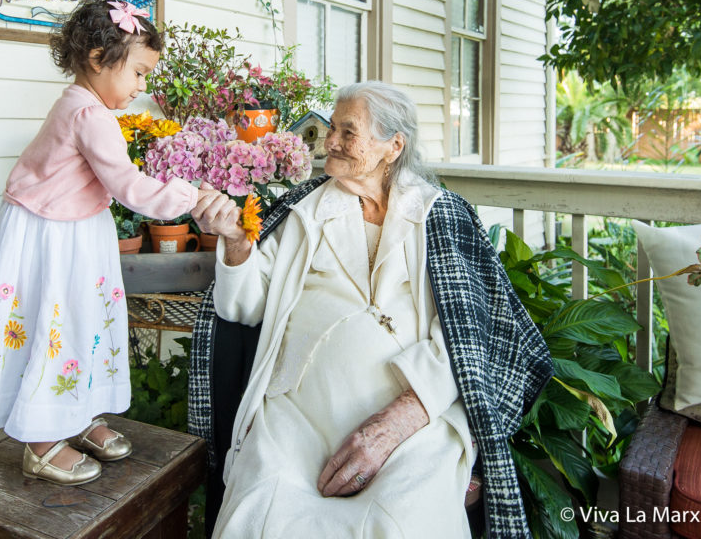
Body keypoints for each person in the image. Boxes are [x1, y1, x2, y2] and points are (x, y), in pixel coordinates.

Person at [189, 82, 553, 537]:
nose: (331, 142)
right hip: (296, 413)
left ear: (393, 146)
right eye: (332, 129)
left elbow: (467, 335)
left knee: (404, 522)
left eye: (348, 131)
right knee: (262, 509)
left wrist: (404, 416)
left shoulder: (439, 214)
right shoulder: (305, 207)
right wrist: (237, 243)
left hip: (412, 418)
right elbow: (243, 306)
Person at [0, 0, 225, 485]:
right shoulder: (89, 117)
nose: (144, 87)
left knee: (79, 322)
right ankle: (40, 441)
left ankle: (73, 415)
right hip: (50, 238)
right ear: (100, 60)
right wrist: (189, 194)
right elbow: (128, 187)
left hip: (74, 232)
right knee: (50, 322)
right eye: (139, 74)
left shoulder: (80, 105)